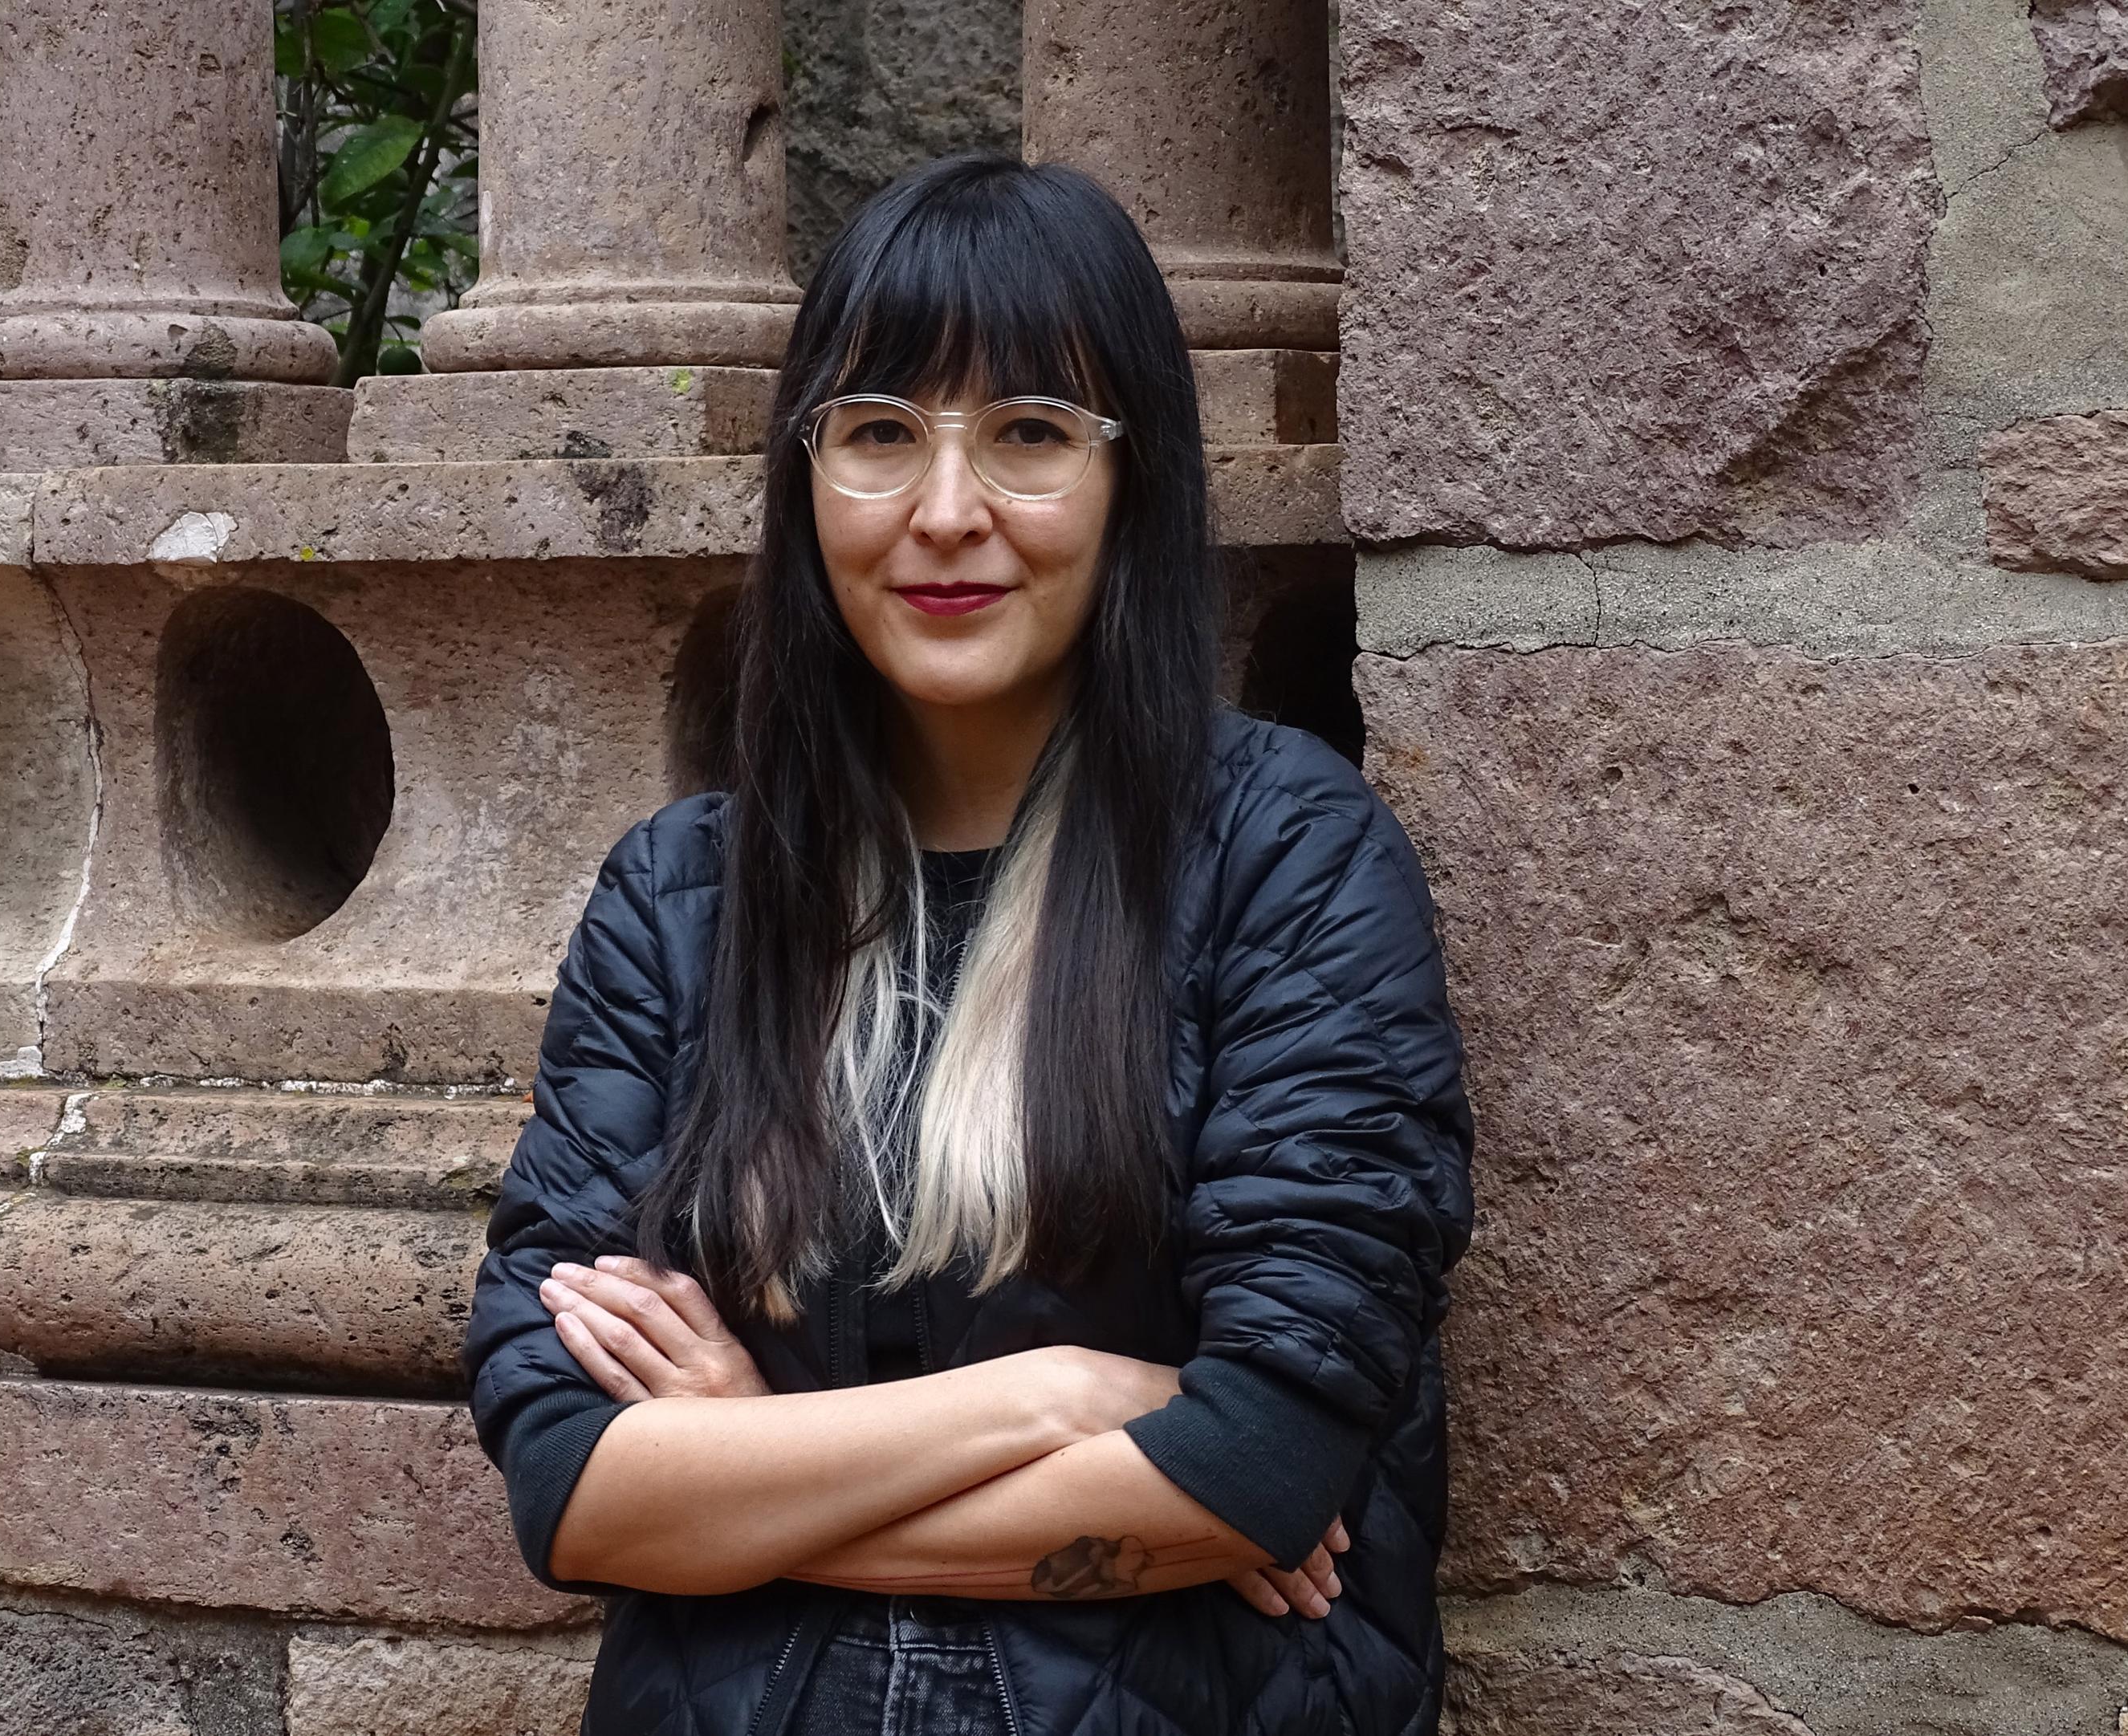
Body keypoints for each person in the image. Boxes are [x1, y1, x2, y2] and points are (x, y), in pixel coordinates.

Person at [462, 152, 1475, 1736]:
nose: (946, 512)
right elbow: (574, 1486)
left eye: (1028, 434)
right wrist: (1052, 1398)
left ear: (1133, 477)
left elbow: (1258, 1465)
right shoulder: (682, 903)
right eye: (879, 434)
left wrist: (750, 1463)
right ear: (806, 479)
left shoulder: (1283, 857)